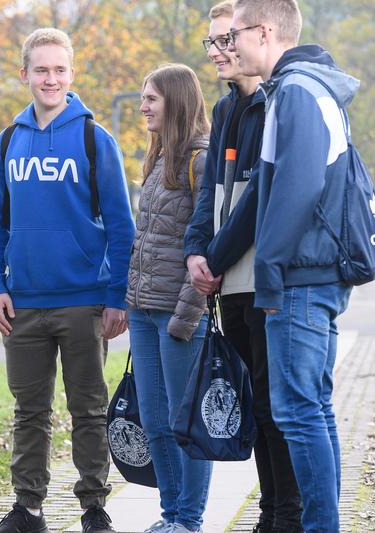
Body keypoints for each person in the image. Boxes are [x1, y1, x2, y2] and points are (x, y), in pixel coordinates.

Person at [0, 27, 135, 533]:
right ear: (25, 75)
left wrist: (115, 297)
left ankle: (93, 507)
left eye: (59, 70)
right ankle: (29, 508)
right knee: (29, 411)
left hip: (84, 300)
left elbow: (121, 226)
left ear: (72, 74)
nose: (51, 79)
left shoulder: (94, 138)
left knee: (88, 409)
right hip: (22, 302)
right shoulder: (8, 140)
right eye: (41, 70)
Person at [228, 1, 359, 531]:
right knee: (314, 409)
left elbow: (297, 187)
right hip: (312, 274)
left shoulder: (298, 92)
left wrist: (271, 270)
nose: (230, 45)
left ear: (263, 31)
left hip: (299, 280)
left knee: (298, 414)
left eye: (234, 33)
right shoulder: (301, 87)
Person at [183, 2, 302, 531]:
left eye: (226, 40)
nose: (218, 52)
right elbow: (208, 195)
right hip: (228, 282)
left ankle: (288, 513)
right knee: (252, 402)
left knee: (278, 404)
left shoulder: (278, 103)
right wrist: (195, 252)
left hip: (265, 279)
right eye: (211, 42)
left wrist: (213, 256)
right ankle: (269, 509)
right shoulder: (226, 109)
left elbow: (258, 204)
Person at [126, 63, 212, 533]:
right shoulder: (156, 159)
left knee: (186, 426)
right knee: (156, 422)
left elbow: (205, 243)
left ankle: (191, 520)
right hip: (142, 310)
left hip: (179, 317)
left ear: (176, 102)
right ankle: (171, 515)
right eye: (142, 97)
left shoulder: (201, 159)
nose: (143, 106)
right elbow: (149, 238)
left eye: (151, 99)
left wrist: (185, 316)